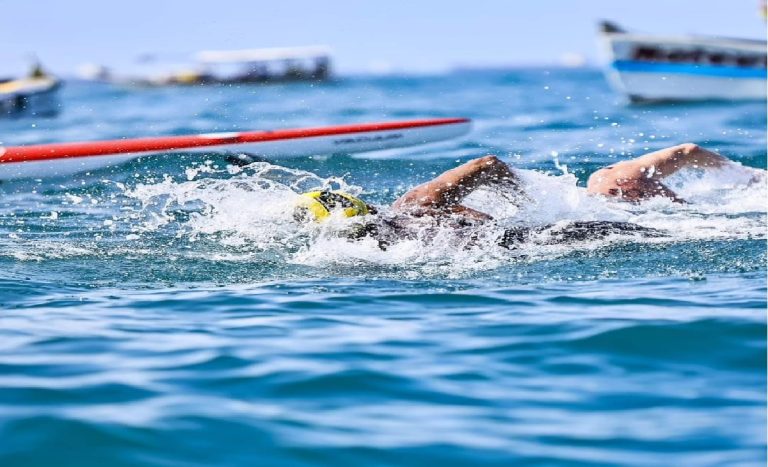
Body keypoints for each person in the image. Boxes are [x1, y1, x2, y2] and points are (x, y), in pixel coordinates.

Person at [295, 144, 738, 248]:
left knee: (626, 193)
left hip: (550, 231)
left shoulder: (405, 222)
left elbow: (487, 164)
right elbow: (486, 165)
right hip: (554, 230)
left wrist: (529, 203)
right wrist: (530, 209)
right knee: (659, 227)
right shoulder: (410, 213)